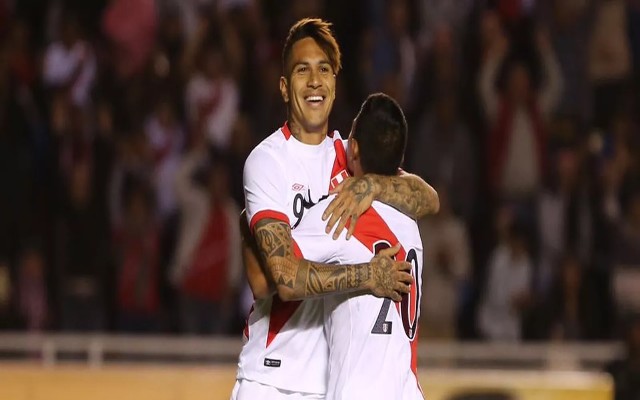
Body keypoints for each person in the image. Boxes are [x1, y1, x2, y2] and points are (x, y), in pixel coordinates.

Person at [233, 18, 438, 400]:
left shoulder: (351, 158)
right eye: (301, 70)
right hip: (273, 378)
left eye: (324, 69)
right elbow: (278, 281)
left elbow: (428, 199)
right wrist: (368, 276)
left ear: (334, 83)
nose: (314, 80)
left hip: (330, 382)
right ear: (283, 86)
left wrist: (373, 183)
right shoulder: (267, 162)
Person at [291, 93, 424, 399]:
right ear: (400, 161)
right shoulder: (411, 221)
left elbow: (277, 272)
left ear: (353, 148)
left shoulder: (342, 215)